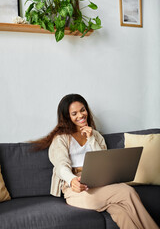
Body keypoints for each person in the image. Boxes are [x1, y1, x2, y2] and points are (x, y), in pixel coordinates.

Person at [33, 94, 159, 229]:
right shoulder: (61, 139)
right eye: (74, 113)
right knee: (127, 192)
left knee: (120, 211)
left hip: (100, 183)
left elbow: (103, 161)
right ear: (67, 117)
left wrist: (91, 139)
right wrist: (72, 180)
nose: (81, 115)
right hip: (76, 189)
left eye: (83, 110)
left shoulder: (96, 135)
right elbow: (61, 166)